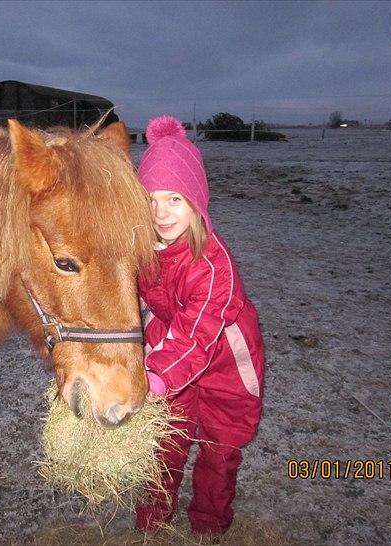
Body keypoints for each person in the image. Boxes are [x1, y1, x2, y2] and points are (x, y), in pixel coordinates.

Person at [134, 116, 265, 537]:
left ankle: (208, 525)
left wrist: (156, 377)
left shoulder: (212, 264)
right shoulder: (143, 249)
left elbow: (197, 334)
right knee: (164, 443)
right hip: (171, 349)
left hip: (226, 361)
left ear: (196, 201)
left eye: (174, 199)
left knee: (219, 449)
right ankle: (153, 524)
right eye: (151, 199)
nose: (161, 213)